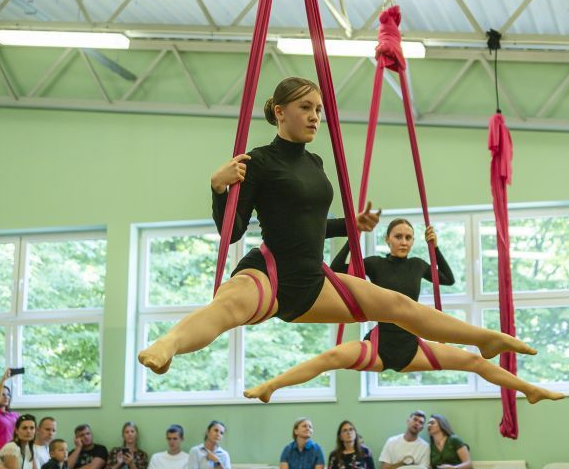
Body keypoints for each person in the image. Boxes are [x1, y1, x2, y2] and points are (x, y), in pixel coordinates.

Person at [138, 77, 536, 380]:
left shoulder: (316, 164)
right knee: (226, 308)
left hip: (314, 281)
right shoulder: (256, 162)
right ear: (279, 111)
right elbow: (234, 230)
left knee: (398, 306)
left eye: (318, 109)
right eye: (306, 107)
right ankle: (167, 344)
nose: (315, 116)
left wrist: (352, 225)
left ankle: (481, 339)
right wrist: (218, 187)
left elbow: (308, 225)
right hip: (269, 273)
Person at [245, 218, 563, 403]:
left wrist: (435, 247)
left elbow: (448, 279)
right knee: (330, 357)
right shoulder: (374, 264)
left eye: (409, 237)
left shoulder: (418, 265)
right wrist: (352, 238)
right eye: (398, 236)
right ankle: (271, 386)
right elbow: (338, 269)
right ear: (387, 238)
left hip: (413, 348)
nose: (404, 241)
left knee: (474, 361)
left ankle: (530, 390)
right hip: (378, 346)